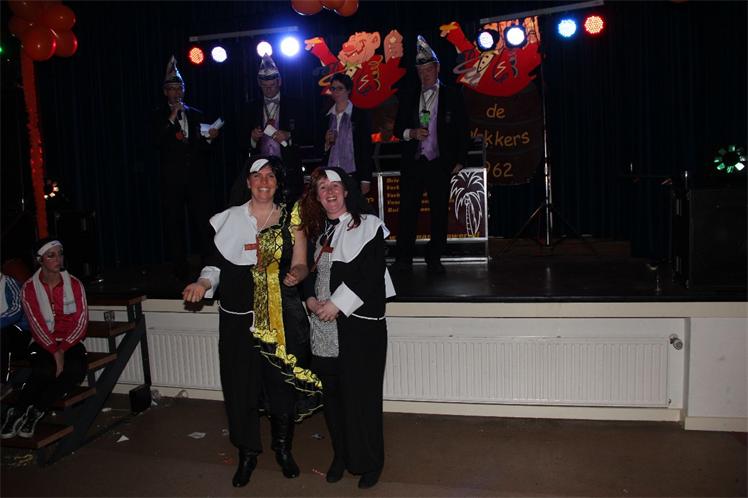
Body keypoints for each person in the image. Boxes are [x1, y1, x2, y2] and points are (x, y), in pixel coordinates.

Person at [182, 156, 322, 487]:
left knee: (281, 385)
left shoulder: (291, 218)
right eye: (257, 176)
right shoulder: (228, 219)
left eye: (270, 176)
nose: (263, 182)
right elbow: (214, 266)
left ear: (277, 182)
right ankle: (247, 453)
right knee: (240, 386)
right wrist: (202, 284)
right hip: (237, 318)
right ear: (247, 182)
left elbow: (302, 263)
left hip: (279, 316)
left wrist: (296, 274)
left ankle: (283, 449)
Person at [299, 167, 395, 489]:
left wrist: (337, 305)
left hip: (360, 329)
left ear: (347, 191)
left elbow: (371, 272)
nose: (329, 192)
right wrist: (310, 300)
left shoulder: (369, 226)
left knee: (362, 398)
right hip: (325, 330)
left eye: (335, 186)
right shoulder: (318, 232)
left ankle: (369, 462)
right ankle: (341, 455)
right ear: (316, 197)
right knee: (334, 399)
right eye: (322, 187)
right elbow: (308, 273)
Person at [392, 35, 469, 274]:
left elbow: (463, 129)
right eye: (420, 71)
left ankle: (434, 257)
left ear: (437, 69)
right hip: (414, 162)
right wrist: (411, 133)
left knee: (439, 212)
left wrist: (460, 159)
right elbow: (397, 129)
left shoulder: (452, 95)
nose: (424, 75)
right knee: (407, 210)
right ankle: (403, 258)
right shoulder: (409, 95)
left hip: (439, 162)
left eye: (428, 70)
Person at [0, 239, 88, 440]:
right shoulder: (29, 288)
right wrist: (54, 351)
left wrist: (62, 349)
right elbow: (36, 325)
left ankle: (36, 411)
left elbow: (81, 322)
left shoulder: (74, 284)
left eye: (60, 253)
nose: (58, 259)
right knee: (43, 370)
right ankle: (16, 412)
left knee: (75, 369)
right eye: (51, 255)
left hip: (70, 341)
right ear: (40, 260)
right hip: (42, 342)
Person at [154, 55, 220, 277]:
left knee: (202, 221)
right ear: (165, 92)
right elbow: (155, 142)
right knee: (175, 223)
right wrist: (171, 118)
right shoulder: (158, 115)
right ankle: (179, 268)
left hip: (196, 178)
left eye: (179, 88)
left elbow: (203, 150)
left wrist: (209, 139)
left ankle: (208, 264)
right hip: (172, 179)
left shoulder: (196, 115)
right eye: (172, 89)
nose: (176, 93)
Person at [240, 55, 305, 205]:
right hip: (261, 171)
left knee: (290, 209)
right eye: (264, 86)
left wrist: (289, 135)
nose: (268, 89)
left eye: (272, 85)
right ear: (259, 84)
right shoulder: (250, 108)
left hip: (288, 169)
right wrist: (253, 138)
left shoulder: (295, 104)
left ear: (279, 82)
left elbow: (308, 133)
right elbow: (239, 140)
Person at [322, 73, 374, 196]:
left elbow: (366, 148)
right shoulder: (326, 117)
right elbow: (319, 150)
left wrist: (365, 179)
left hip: (353, 174)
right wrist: (326, 144)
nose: (336, 92)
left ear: (348, 90)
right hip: (330, 174)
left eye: (340, 88)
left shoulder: (360, 115)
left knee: (353, 206)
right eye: (333, 88)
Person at [1, 272, 30, 393]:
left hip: (19, 332)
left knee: (2, 332)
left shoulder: (9, 282)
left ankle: (2, 382)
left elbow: (16, 310)